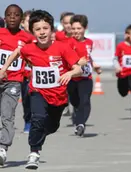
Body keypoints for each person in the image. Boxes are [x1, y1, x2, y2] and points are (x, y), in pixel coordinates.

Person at [0, 10, 86, 169]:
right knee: (37, 119)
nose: (42, 32)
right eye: (37, 29)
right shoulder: (29, 48)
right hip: (37, 91)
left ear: (52, 30)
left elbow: (79, 69)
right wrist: (4, 68)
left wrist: (70, 73)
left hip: (59, 97)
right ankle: (34, 153)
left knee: (52, 126)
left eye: (45, 28)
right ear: (32, 32)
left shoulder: (62, 48)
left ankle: (39, 136)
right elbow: (17, 52)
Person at [0, 4, 35, 166]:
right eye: (9, 15)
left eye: (16, 15)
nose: (12, 17)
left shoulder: (27, 38)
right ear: (4, 18)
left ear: (21, 19)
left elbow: (38, 53)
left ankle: (2, 147)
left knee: (7, 114)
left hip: (13, 82)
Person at [69, 14, 101, 137]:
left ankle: (81, 124)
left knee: (85, 101)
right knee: (75, 102)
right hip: (72, 78)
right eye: (74, 29)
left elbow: (88, 57)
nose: (76, 31)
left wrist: (94, 65)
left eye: (79, 28)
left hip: (85, 78)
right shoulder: (68, 43)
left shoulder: (89, 42)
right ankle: (78, 117)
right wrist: (76, 62)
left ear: (85, 28)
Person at [113, 24, 131, 120]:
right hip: (123, 74)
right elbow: (115, 58)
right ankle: (128, 90)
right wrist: (117, 67)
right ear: (127, 35)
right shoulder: (121, 46)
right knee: (123, 92)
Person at [56, 12, 75, 117]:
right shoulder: (58, 36)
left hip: (74, 68)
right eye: (66, 23)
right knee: (63, 88)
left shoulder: (77, 35)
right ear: (62, 24)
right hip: (61, 67)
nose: (69, 25)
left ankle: (75, 109)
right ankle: (65, 105)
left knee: (73, 90)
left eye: (71, 23)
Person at [20, 10, 34, 133]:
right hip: (21, 75)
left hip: (37, 75)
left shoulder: (40, 37)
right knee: (26, 100)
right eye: (28, 21)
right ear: (22, 23)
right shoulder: (18, 37)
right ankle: (28, 121)